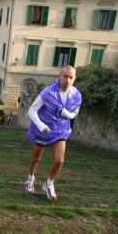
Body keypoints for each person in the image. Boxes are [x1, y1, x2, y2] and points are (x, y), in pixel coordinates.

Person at [25, 66, 82, 200]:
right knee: (36, 158)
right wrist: (41, 126)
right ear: (59, 76)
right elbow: (32, 110)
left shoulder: (76, 95)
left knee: (59, 160)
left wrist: (66, 113)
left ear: (74, 79)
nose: (68, 80)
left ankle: (49, 184)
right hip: (43, 129)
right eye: (65, 76)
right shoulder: (47, 93)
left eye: (71, 77)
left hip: (60, 130)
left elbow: (74, 113)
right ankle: (30, 178)